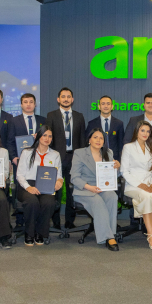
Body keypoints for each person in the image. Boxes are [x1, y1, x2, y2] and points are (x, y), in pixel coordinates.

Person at [71, 128, 122, 250]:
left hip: (102, 188)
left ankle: (109, 233)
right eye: (95, 137)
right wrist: (89, 187)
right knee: (97, 200)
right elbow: (74, 177)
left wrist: (117, 168)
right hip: (84, 189)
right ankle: (109, 237)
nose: (98, 140)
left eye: (101, 138)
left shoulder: (108, 153)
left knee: (112, 196)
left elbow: (113, 176)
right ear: (89, 140)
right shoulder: (80, 153)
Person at [121, 121, 152, 250]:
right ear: (137, 132)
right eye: (142, 130)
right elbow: (124, 171)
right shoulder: (128, 147)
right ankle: (150, 234)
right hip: (133, 185)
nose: (145, 133)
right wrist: (140, 184)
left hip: (151, 183)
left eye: (148, 131)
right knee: (146, 196)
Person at [16, 127, 64, 245]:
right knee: (32, 201)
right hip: (27, 185)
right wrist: (28, 187)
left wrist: (59, 182)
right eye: (44, 135)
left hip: (46, 184)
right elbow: (19, 175)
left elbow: (59, 175)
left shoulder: (55, 154)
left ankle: (40, 233)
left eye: (50, 136)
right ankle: (29, 233)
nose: (47, 138)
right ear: (38, 136)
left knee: (49, 202)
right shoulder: (26, 152)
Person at [46, 87, 86, 230]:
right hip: (56, 158)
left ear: (72, 99)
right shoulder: (51, 115)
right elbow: (48, 138)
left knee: (72, 191)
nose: (66, 99)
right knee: (55, 190)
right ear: (58, 99)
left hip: (74, 158)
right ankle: (55, 221)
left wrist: (82, 159)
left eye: (68, 96)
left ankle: (70, 221)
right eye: (63, 96)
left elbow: (82, 139)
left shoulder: (79, 116)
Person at [86, 95, 125, 162]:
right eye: (103, 104)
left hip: (114, 159)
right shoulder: (92, 124)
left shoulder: (119, 123)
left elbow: (121, 144)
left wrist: (119, 160)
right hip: (96, 158)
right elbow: (87, 142)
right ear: (99, 106)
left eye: (108, 104)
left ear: (112, 106)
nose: (106, 106)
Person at [8, 92, 44, 165]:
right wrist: (13, 157)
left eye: (31, 102)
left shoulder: (43, 120)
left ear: (35, 104)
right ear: (21, 105)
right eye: (25, 102)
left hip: (39, 158)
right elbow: (10, 141)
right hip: (20, 159)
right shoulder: (14, 121)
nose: (28, 104)